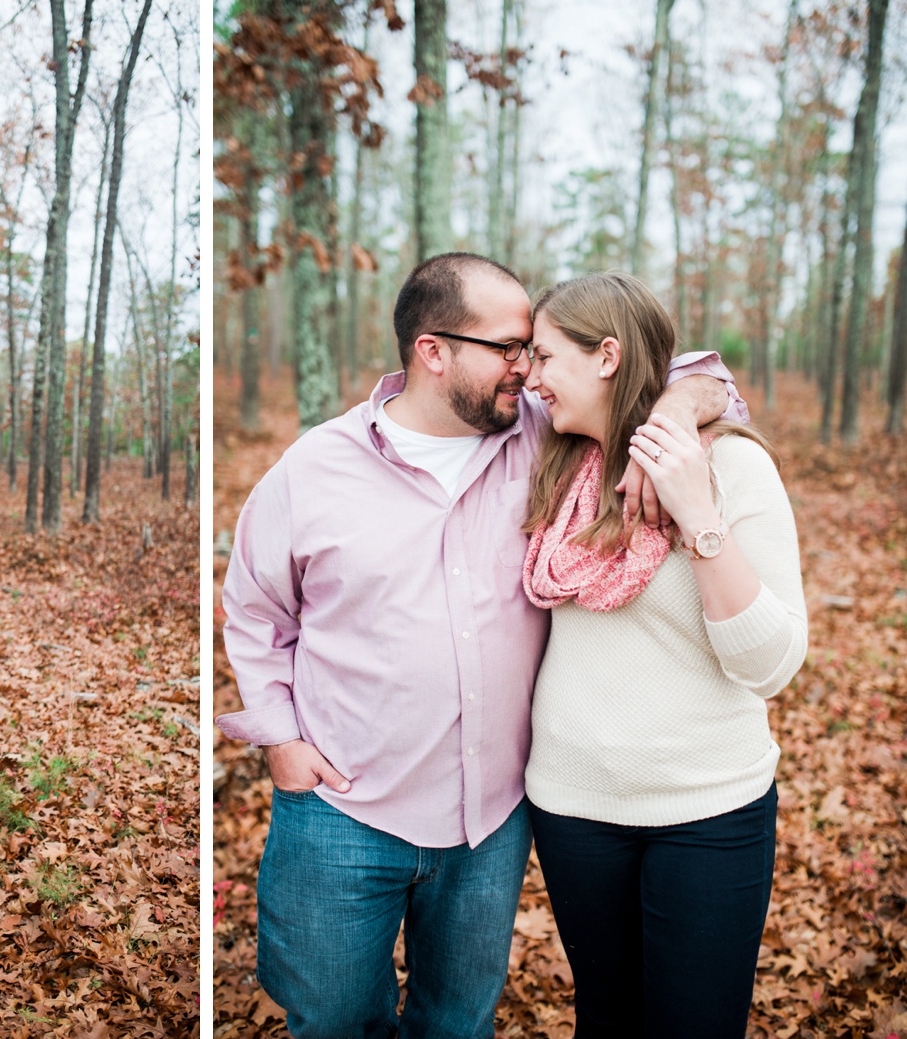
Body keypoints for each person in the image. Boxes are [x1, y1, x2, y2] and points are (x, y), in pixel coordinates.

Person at [217, 252, 747, 1039]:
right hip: (342, 805)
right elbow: (256, 612)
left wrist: (674, 409)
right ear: (433, 351)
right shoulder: (313, 470)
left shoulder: (548, 436)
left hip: (491, 821)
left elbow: (709, 378)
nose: (527, 368)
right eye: (509, 347)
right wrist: (282, 740)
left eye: (534, 348)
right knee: (329, 1020)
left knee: (458, 1023)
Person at [520, 271, 806, 1037]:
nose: (529, 375)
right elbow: (706, 377)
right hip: (573, 808)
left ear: (606, 354)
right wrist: (681, 400)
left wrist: (698, 514)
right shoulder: (551, 461)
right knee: (606, 1020)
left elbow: (772, 664)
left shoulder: (732, 466)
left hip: (708, 809)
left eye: (545, 356)